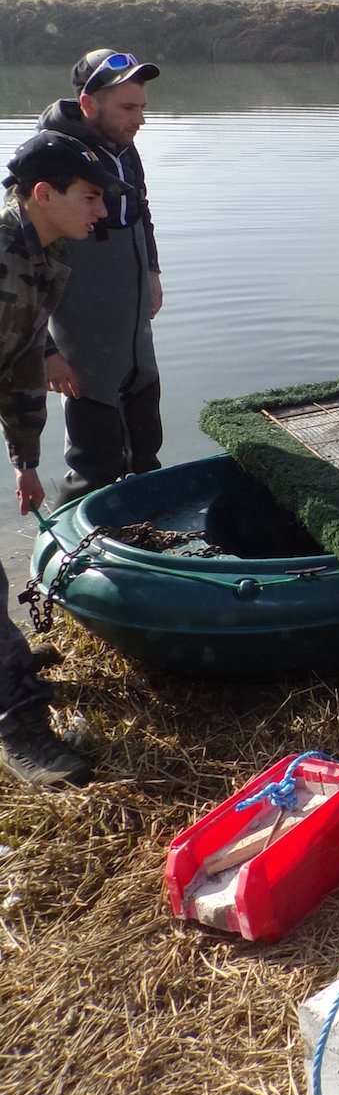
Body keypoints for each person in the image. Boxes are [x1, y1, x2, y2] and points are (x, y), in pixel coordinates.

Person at [0, 131, 134, 786]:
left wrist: (25, 459)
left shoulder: (41, 253)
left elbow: (22, 361)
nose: (102, 211)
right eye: (90, 197)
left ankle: (10, 662)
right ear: (44, 194)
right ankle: (19, 727)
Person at [39, 49, 163, 501]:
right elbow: (17, 262)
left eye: (141, 107)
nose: (140, 120)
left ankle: (148, 516)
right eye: (128, 108)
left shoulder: (124, 148)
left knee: (145, 447)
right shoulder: (50, 160)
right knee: (95, 462)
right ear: (89, 104)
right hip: (85, 342)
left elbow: (141, 210)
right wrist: (45, 350)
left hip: (134, 330)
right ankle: (74, 534)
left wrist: (152, 270)